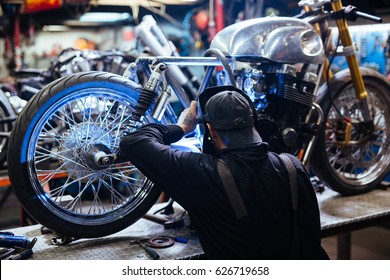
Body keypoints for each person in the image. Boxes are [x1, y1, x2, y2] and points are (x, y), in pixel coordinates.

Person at [119, 85, 329, 260]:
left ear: (211, 131)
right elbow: (310, 236)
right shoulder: (292, 166)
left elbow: (134, 142)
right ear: (252, 123)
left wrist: (182, 127)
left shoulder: (203, 174)